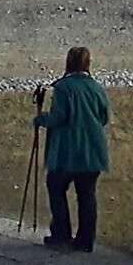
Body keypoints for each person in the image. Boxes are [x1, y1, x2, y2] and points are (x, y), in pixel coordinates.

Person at [33, 45, 111, 252]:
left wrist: (41, 119)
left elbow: (60, 117)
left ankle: (61, 234)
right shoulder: (96, 88)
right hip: (93, 151)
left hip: (67, 152)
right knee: (87, 195)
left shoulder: (63, 88)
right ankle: (86, 241)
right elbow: (104, 117)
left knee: (56, 188)